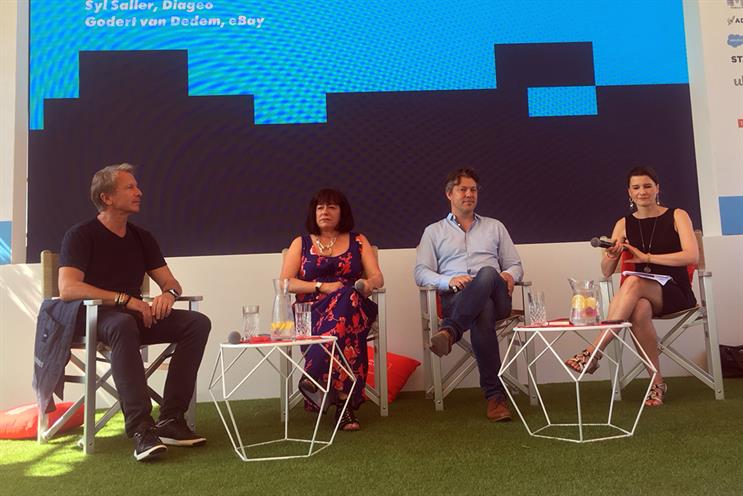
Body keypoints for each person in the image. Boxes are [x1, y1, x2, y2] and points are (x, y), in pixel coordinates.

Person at [58, 163, 211, 461]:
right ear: (107, 198)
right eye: (130, 187)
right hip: (94, 319)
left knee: (196, 323)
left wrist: (169, 294)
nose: (139, 192)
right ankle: (142, 429)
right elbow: (68, 289)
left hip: (133, 317)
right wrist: (124, 300)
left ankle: (170, 419)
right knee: (122, 325)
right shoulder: (80, 235)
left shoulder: (142, 238)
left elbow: (170, 281)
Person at [564, 166, 698, 407]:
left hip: (675, 291)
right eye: (636, 187)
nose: (642, 191)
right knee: (638, 310)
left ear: (658, 188)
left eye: (647, 186)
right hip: (642, 296)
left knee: (634, 280)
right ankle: (657, 383)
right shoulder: (623, 224)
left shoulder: (678, 215)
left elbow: (691, 256)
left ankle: (595, 350)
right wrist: (613, 254)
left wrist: (646, 258)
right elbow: (606, 271)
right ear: (629, 192)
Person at [414, 168, 523, 422]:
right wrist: (448, 280)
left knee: (486, 273)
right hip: (458, 298)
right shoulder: (433, 232)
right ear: (449, 194)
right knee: (481, 309)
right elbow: (421, 273)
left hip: (499, 298)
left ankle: (450, 331)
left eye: (473, 190)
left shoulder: (495, 227)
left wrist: (509, 275)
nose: (469, 194)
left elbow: (515, 264)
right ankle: (495, 398)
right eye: (463, 189)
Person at [279, 188, 384, 431]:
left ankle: (313, 373)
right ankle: (345, 406)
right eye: (320, 207)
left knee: (348, 298)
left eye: (332, 207)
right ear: (314, 213)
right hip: (312, 311)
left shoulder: (358, 240)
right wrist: (322, 287)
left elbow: (377, 277)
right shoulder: (301, 243)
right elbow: (286, 282)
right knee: (346, 332)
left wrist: (367, 284)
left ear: (342, 212)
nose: (325, 212)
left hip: (354, 307)